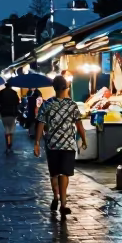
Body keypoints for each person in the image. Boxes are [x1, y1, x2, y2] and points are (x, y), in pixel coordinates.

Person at [34, 76, 87, 217]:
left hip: (52, 144)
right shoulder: (72, 105)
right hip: (68, 145)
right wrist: (84, 138)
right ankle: (63, 203)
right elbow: (79, 124)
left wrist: (37, 143)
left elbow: (40, 123)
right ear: (66, 87)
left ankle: (56, 197)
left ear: (54, 88)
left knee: (54, 173)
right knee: (65, 173)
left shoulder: (47, 104)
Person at [0, 83, 20, 153]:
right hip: (12, 113)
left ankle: (7, 146)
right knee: (11, 129)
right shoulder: (14, 93)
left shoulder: (1, 92)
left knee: (6, 129)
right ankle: (10, 144)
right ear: (11, 86)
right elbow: (17, 103)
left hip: (4, 113)